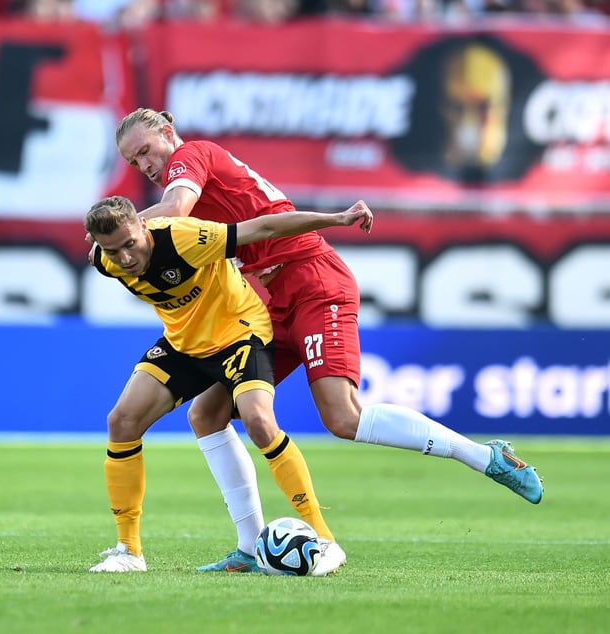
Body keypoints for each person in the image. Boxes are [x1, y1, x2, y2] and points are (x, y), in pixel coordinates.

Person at [113, 107, 544, 572]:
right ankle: (249, 544)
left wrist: (114, 229)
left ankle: (484, 456)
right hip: (268, 301)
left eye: (145, 151)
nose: (146, 165)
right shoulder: (185, 188)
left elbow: (175, 211)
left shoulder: (191, 157)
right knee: (207, 413)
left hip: (315, 283)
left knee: (343, 416)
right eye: (134, 162)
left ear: (168, 133)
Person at [85, 194, 373, 574]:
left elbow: (266, 227)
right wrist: (107, 251)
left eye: (129, 244)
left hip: (240, 333)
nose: (124, 258)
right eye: (112, 250)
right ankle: (129, 551)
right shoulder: (103, 260)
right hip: (184, 343)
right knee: (121, 421)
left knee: (258, 421)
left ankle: (324, 538)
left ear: (143, 225)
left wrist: (337, 218)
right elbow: (105, 254)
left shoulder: (186, 238)